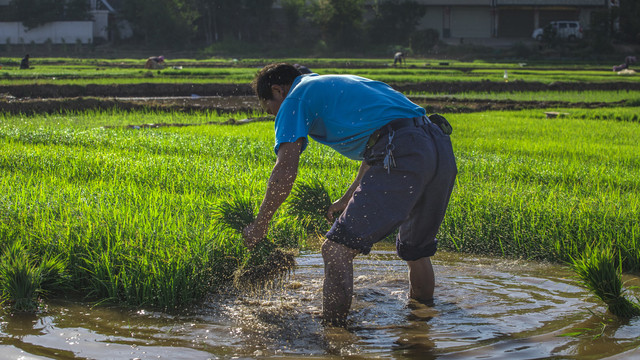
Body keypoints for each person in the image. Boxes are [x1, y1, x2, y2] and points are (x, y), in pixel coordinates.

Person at [243, 63, 457, 327]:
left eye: (270, 109)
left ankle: (334, 337)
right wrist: (347, 199)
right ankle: (419, 327)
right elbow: (382, 139)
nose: (274, 115)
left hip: (402, 150)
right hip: (437, 145)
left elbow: (285, 169)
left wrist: (260, 224)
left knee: (335, 250)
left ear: (278, 90)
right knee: (415, 251)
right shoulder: (340, 83)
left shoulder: (295, 97)